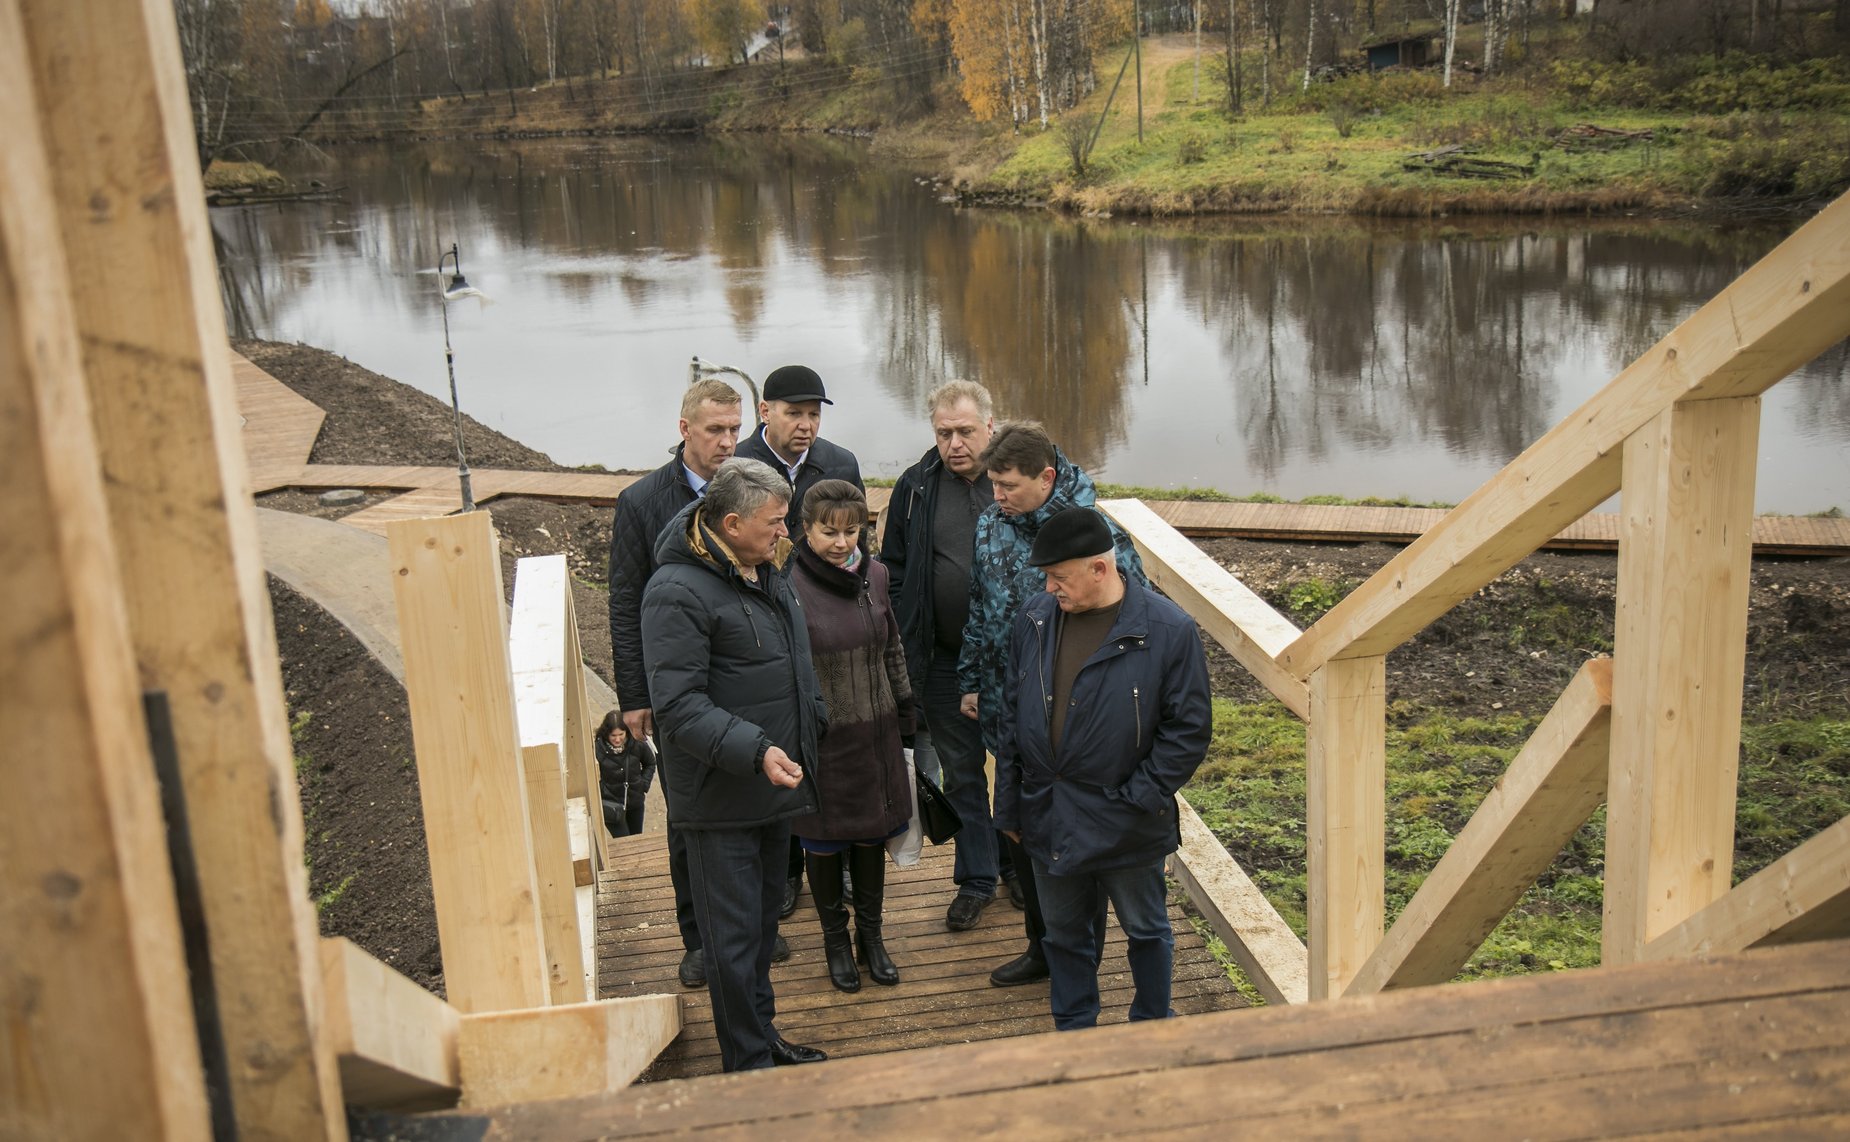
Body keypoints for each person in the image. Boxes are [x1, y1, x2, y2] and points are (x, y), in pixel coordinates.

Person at [641, 457, 829, 1072]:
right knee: (733, 940)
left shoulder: (760, 568)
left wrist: (814, 720)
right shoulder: (676, 591)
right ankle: (746, 1066)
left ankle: (763, 1038)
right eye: (775, 522)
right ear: (730, 521)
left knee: (760, 933)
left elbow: (789, 663)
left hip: (771, 784)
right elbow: (678, 706)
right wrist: (757, 750)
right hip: (722, 797)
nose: (786, 533)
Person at [993, 507, 1212, 1031]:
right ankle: (1074, 1030)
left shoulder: (1168, 630)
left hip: (1128, 819)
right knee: (1063, 934)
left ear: (1099, 569)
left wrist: (1137, 796)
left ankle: (1152, 1023)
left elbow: (1188, 732)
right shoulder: (1034, 621)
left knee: (1147, 928)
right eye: (1045, 577)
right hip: (1048, 812)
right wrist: (1009, 804)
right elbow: (1010, 716)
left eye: (1059, 577)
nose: (1048, 589)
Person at [607, 380, 790, 988]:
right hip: (678, 682)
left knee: (750, 807)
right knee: (690, 814)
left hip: (740, 680)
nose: (728, 440)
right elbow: (626, 602)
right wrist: (634, 696)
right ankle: (697, 935)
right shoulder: (642, 502)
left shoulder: (751, 486)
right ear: (684, 429)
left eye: (735, 429)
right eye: (715, 430)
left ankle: (753, 925)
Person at [958, 421, 1147, 987]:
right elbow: (979, 601)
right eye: (992, 484)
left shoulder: (1097, 535)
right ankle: (1043, 948)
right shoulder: (993, 522)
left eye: (1008, 485)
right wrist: (971, 678)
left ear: (1046, 477)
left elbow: (1135, 622)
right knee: (1019, 830)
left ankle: (1078, 959)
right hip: (1006, 708)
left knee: (1074, 841)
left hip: (1075, 718)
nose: (996, 496)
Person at [878, 380, 1012, 931]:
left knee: (1022, 768)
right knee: (961, 774)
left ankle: (1024, 874)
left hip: (1012, 664)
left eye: (964, 431)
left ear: (990, 427)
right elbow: (893, 568)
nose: (954, 443)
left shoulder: (1018, 478)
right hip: (941, 661)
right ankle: (977, 878)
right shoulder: (915, 486)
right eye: (943, 433)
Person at [734, 362, 865, 918]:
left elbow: (858, 545)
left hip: (826, 625)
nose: (806, 425)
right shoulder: (739, 466)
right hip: (761, 624)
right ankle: (787, 870)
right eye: (794, 414)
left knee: (832, 744)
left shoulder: (839, 464)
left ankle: (838, 863)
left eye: (813, 414)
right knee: (778, 746)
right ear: (766, 413)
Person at [787, 480, 915, 994]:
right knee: (821, 843)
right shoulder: (788, 585)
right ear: (806, 529)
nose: (842, 542)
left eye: (852, 530)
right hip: (822, 738)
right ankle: (836, 943)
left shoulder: (876, 575)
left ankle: (873, 939)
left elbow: (893, 650)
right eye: (828, 531)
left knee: (869, 836)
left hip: (876, 730)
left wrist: (906, 717)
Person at [596, 709, 656, 837]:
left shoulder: (637, 744)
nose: (617, 740)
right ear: (606, 734)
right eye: (613, 735)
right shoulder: (597, 749)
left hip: (635, 801)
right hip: (611, 804)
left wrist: (643, 784)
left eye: (621, 734)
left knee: (636, 838)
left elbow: (650, 763)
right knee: (622, 840)